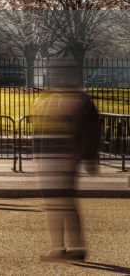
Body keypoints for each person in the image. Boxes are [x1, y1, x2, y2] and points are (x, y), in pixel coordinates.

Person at [34, 60, 100, 263]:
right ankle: (69, 247)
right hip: (57, 158)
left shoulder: (65, 99)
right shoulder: (73, 99)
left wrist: (88, 156)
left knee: (59, 203)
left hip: (60, 159)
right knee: (61, 203)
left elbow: (90, 131)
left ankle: (65, 247)